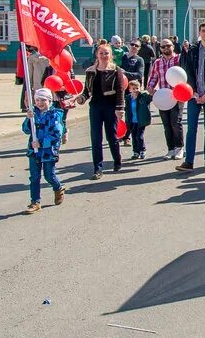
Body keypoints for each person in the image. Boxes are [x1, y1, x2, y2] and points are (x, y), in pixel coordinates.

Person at [175, 22, 205, 172]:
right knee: (191, 128)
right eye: (203, 31)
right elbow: (188, 71)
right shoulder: (193, 50)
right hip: (193, 95)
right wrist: (194, 92)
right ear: (199, 32)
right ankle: (189, 161)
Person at [77, 41, 127, 179]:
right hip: (95, 106)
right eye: (101, 53)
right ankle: (97, 168)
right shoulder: (90, 71)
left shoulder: (116, 70)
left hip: (111, 106)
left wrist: (120, 108)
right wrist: (81, 98)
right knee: (96, 137)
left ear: (110, 55)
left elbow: (120, 91)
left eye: (106, 53)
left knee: (111, 136)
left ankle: (117, 159)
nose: (104, 55)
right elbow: (87, 90)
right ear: (97, 55)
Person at [22, 88, 66, 214]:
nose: (40, 103)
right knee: (34, 177)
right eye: (37, 100)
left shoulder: (55, 115)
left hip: (48, 151)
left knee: (49, 175)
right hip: (34, 151)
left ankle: (58, 188)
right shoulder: (33, 114)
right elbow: (26, 130)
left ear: (50, 101)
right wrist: (28, 119)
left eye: (43, 100)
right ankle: (35, 202)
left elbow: (56, 134)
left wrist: (41, 143)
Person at [147, 38, 184, 160]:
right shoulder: (158, 62)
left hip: (177, 95)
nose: (166, 48)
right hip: (163, 97)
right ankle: (171, 149)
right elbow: (153, 77)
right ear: (160, 49)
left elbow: (185, 75)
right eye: (163, 47)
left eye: (168, 46)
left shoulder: (179, 59)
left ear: (173, 46)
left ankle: (179, 148)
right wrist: (150, 87)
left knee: (175, 122)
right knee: (167, 124)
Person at [124, 79, 152, 160]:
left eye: (137, 88)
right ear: (130, 90)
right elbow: (127, 109)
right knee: (134, 136)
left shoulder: (143, 96)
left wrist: (151, 93)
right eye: (133, 89)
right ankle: (136, 152)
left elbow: (150, 98)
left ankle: (142, 150)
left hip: (141, 121)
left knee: (139, 136)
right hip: (132, 121)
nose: (136, 90)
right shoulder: (128, 98)